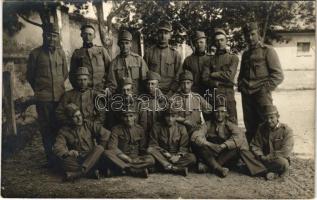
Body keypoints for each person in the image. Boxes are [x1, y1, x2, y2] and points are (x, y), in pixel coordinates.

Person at [26, 23, 68, 168]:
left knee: (59, 127)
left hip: (60, 97)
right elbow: (30, 76)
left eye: (54, 35)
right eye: (49, 35)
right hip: (43, 99)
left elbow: (65, 74)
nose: (51, 38)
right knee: (46, 129)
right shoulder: (35, 54)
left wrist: (57, 87)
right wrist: (41, 90)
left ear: (58, 37)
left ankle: (60, 156)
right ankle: (51, 160)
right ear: (44, 36)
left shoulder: (61, 53)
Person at [191, 102, 267, 178]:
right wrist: (209, 144)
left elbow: (238, 137)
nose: (219, 114)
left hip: (224, 155)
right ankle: (219, 169)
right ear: (214, 113)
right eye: (217, 112)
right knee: (199, 146)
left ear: (226, 113)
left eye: (222, 112)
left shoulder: (231, 125)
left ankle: (209, 167)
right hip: (211, 153)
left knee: (238, 147)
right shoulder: (207, 124)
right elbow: (196, 136)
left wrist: (223, 146)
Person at [237, 22, 284, 142]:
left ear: (258, 34)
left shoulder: (268, 51)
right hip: (247, 95)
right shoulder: (246, 54)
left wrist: (265, 89)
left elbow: (278, 75)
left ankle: (267, 152)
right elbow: (241, 74)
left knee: (266, 123)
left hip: (262, 94)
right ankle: (253, 153)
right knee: (250, 124)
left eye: (252, 34)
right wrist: (241, 86)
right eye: (247, 35)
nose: (250, 38)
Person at [53, 103, 111, 181]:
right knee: (63, 161)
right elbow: (58, 146)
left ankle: (80, 173)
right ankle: (91, 172)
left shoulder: (88, 124)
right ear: (69, 119)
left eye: (80, 115)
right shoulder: (63, 131)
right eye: (75, 117)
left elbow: (106, 133)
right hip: (78, 158)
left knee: (99, 148)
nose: (79, 119)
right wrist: (68, 152)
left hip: (92, 155)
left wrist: (102, 147)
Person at [105, 108, 155, 178]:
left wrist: (142, 157)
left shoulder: (140, 129)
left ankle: (121, 169)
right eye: (126, 116)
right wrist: (127, 158)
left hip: (136, 159)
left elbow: (142, 148)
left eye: (131, 116)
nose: (128, 119)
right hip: (121, 158)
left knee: (151, 159)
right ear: (122, 117)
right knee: (107, 153)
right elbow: (112, 147)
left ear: (135, 117)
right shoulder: (116, 129)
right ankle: (134, 170)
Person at [202, 28, 239, 124]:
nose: (220, 43)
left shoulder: (233, 58)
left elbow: (230, 76)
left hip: (228, 95)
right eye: (217, 40)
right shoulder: (209, 60)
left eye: (222, 40)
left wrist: (213, 74)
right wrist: (216, 82)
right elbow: (205, 78)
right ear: (215, 42)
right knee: (213, 124)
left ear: (226, 41)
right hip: (214, 95)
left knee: (231, 122)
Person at [147, 106, 196, 176]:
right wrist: (167, 154)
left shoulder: (181, 128)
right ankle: (173, 168)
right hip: (162, 155)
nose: (170, 119)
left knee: (192, 158)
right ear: (164, 117)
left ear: (177, 117)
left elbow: (184, 147)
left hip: (175, 157)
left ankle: (162, 167)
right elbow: (153, 145)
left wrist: (178, 156)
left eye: (173, 116)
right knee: (150, 150)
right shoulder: (157, 127)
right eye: (167, 116)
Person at [250, 105, 294, 180]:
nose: (269, 121)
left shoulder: (286, 130)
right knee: (245, 154)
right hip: (262, 159)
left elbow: (285, 151)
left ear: (277, 116)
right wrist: (260, 156)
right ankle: (273, 172)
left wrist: (269, 157)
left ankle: (261, 171)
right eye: (266, 118)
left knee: (283, 163)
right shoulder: (261, 128)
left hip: (276, 160)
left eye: (271, 118)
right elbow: (255, 145)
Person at [144, 20, 182, 96]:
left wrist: (171, 92)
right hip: (152, 93)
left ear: (170, 35)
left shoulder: (175, 54)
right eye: (160, 33)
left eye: (166, 33)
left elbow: (179, 76)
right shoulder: (149, 53)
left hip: (170, 93)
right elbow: (144, 74)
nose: (163, 36)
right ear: (157, 34)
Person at [70, 23, 111, 91]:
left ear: (94, 36)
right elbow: (72, 74)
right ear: (81, 35)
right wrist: (78, 88)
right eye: (85, 34)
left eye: (90, 34)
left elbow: (110, 69)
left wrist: (107, 86)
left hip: (101, 89)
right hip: (85, 91)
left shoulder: (102, 50)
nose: (87, 37)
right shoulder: (77, 53)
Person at [171, 70, 213, 135]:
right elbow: (170, 116)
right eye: (183, 83)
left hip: (195, 129)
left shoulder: (197, 97)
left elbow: (210, 110)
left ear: (192, 83)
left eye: (188, 83)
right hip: (179, 131)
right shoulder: (174, 98)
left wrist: (205, 125)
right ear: (180, 84)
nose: (185, 86)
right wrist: (184, 121)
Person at [107, 30, 148, 95]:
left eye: (127, 43)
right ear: (119, 45)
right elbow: (112, 85)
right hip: (121, 98)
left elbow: (145, 81)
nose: (124, 46)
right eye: (122, 43)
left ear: (130, 44)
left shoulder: (139, 60)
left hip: (137, 96)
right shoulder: (114, 63)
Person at [138, 71, 166, 144]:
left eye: (153, 84)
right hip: (143, 134)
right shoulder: (141, 100)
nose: (150, 86)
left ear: (158, 85)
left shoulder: (164, 101)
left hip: (159, 136)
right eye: (148, 84)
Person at [183, 31, 212, 95]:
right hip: (193, 93)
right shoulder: (188, 60)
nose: (199, 45)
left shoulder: (211, 59)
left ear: (205, 43)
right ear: (194, 44)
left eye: (201, 42)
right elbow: (184, 78)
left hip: (208, 93)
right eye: (196, 42)